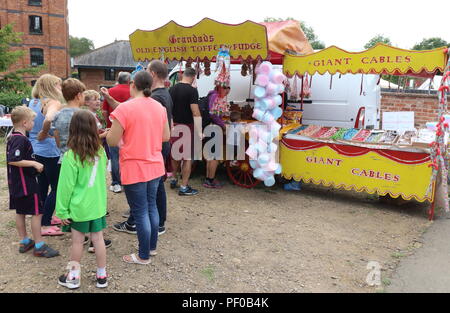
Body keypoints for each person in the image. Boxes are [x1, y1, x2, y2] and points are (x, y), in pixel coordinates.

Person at [107, 70, 170, 265]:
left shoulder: (124, 109)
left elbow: (112, 140)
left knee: (141, 210)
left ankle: (143, 256)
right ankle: (151, 248)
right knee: (151, 207)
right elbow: (166, 136)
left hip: (134, 166)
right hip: (154, 165)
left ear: (133, 84)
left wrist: (113, 133)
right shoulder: (159, 107)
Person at [56, 110, 108, 289]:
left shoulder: (71, 156)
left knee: (77, 241)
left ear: (73, 129)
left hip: (79, 207)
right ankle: (102, 275)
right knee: (98, 239)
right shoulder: (101, 151)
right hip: (98, 205)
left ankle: (73, 276)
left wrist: (62, 210)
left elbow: (65, 186)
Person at [6, 106, 60, 258]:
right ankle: (39, 245)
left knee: (21, 211)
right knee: (37, 213)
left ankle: (24, 241)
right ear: (24, 123)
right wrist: (34, 164)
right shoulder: (20, 139)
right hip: (26, 184)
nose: (33, 123)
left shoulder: (12, 137)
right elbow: (13, 160)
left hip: (16, 183)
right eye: (32, 121)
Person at [29, 74, 65, 236]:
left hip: (36, 149)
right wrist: (45, 131)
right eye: (58, 85)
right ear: (51, 86)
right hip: (50, 150)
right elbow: (49, 118)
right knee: (57, 188)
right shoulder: (52, 102)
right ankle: (45, 223)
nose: (61, 88)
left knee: (42, 186)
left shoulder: (34, 102)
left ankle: (43, 217)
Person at [169, 67, 202, 196]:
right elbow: (195, 111)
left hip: (174, 126)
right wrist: (200, 131)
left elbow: (168, 110)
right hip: (187, 127)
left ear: (182, 75)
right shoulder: (192, 91)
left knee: (175, 155)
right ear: (193, 77)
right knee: (187, 158)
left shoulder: (172, 89)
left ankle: (173, 178)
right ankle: (183, 187)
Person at [102, 72, 132, 194]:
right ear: (129, 80)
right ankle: (127, 181)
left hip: (112, 128)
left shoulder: (110, 91)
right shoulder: (132, 91)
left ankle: (116, 183)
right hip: (128, 130)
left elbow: (104, 111)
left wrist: (107, 124)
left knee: (114, 157)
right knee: (128, 156)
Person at [202, 85, 231, 188]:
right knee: (214, 156)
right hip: (212, 128)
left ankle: (208, 179)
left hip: (208, 128)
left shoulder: (212, 95)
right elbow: (213, 114)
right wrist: (223, 125)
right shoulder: (215, 97)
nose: (227, 92)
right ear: (220, 88)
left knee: (210, 155)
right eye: (226, 89)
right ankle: (210, 180)